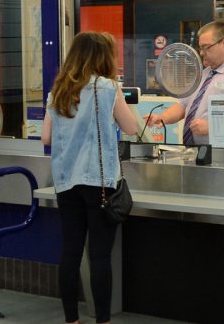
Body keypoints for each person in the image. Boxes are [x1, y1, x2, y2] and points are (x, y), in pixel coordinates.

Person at [41, 32, 139, 324]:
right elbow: (132, 127)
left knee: (70, 252)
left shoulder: (59, 90)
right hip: (99, 183)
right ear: (103, 56)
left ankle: (72, 319)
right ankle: (103, 320)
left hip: (66, 182)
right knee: (99, 256)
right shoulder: (107, 88)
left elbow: (46, 136)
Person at [142, 21, 224, 145]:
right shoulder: (204, 73)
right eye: (201, 48)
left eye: (206, 47)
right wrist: (162, 118)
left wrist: (211, 126)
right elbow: (183, 105)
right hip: (195, 152)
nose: (201, 53)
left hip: (223, 154)